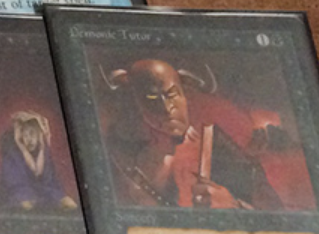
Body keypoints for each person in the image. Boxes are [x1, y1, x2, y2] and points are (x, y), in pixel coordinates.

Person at [101, 59, 285, 211]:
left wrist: (233, 206)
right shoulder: (117, 155)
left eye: (172, 95)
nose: (166, 108)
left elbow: (274, 215)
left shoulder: (218, 146)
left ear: (185, 94)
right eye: (151, 98)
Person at [0, 112, 78, 210]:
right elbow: (17, 185)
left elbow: (42, 175)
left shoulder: (43, 151)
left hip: (45, 191)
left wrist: (42, 147)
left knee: (70, 204)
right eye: (25, 135)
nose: (29, 139)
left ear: (39, 135)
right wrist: (21, 145)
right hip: (21, 192)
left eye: (32, 134)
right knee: (27, 205)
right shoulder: (12, 156)